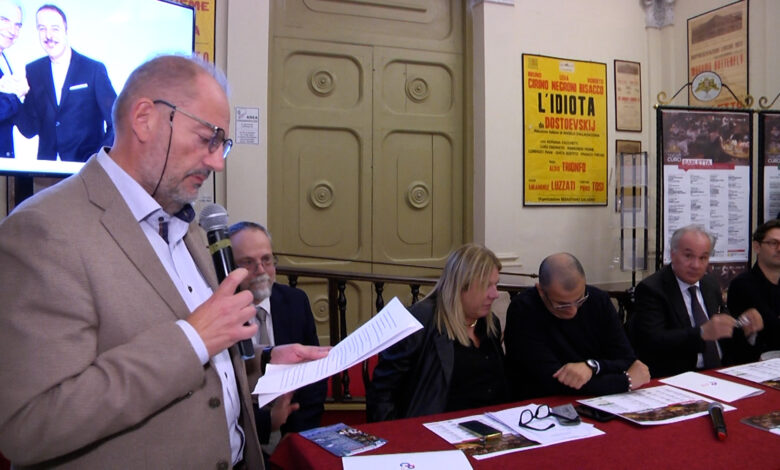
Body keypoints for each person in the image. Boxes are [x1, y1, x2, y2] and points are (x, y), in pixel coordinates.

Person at [0, 55, 328, 468]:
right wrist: (191, 339)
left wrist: (264, 364)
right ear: (145, 119)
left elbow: (208, 367)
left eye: (222, 144)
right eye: (208, 138)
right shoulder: (43, 231)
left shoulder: (190, 229)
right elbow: (30, 425)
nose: (217, 162)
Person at [367, 243, 509, 422]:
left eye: (496, 284)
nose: (495, 294)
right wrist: (395, 434)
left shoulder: (489, 323)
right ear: (461, 285)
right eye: (486, 286)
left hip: (492, 425)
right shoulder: (420, 321)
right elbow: (383, 392)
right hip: (436, 428)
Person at [228, 221, 328, 453]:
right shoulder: (219, 315)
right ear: (229, 268)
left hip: (292, 433)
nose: (261, 270)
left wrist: (298, 435)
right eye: (248, 262)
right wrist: (266, 424)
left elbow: (314, 378)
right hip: (242, 439)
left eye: (267, 259)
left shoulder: (296, 301)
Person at [504, 253, 649, 398]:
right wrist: (625, 381)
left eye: (580, 300)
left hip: (600, 399)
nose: (573, 310)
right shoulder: (524, 310)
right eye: (562, 305)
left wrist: (592, 366)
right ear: (541, 291)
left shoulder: (598, 300)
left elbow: (627, 360)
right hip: (542, 403)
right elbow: (551, 382)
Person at [629, 225, 763, 378]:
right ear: (672, 254)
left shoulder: (710, 284)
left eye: (703, 258)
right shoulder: (652, 289)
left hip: (721, 371)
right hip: (678, 376)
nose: (696, 265)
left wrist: (746, 326)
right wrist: (701, 333)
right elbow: (652, 341)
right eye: (688, 256)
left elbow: (723, 333)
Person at [15, 4, 116, 162]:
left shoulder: (93, 70)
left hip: (85, 169)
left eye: (54, 28)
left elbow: (117, 120)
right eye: (42, 28)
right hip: (46, 169)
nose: (48, 35)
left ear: (66, 30)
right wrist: (14, 97)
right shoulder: (33, 71)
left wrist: (100, 161)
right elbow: (29, 130)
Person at [727, 219, 780, 361]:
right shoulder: (743, 285)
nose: (779, 249)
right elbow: (770, 332)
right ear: (757, 247)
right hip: (755, 363)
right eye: (773, 243)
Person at [0, 0, 26, 157]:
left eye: (17, 25)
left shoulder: (5, 61)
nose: (12, 30)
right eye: (4, 20)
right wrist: (15, 95)